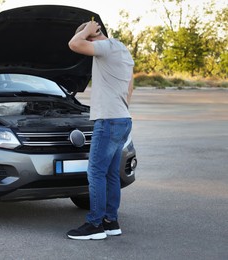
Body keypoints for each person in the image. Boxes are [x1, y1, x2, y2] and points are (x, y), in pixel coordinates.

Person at [66, 20, 134, 240]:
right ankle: (110, 221)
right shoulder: (122, 49)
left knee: (95, 172)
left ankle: (94, 224)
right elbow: (130, 87)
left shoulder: (105, 47)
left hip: (108, 121)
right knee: (111, 174)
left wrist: (86, 30)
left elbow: (74, 45)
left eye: (88, 37)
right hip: (122, 118)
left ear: (93, 35)